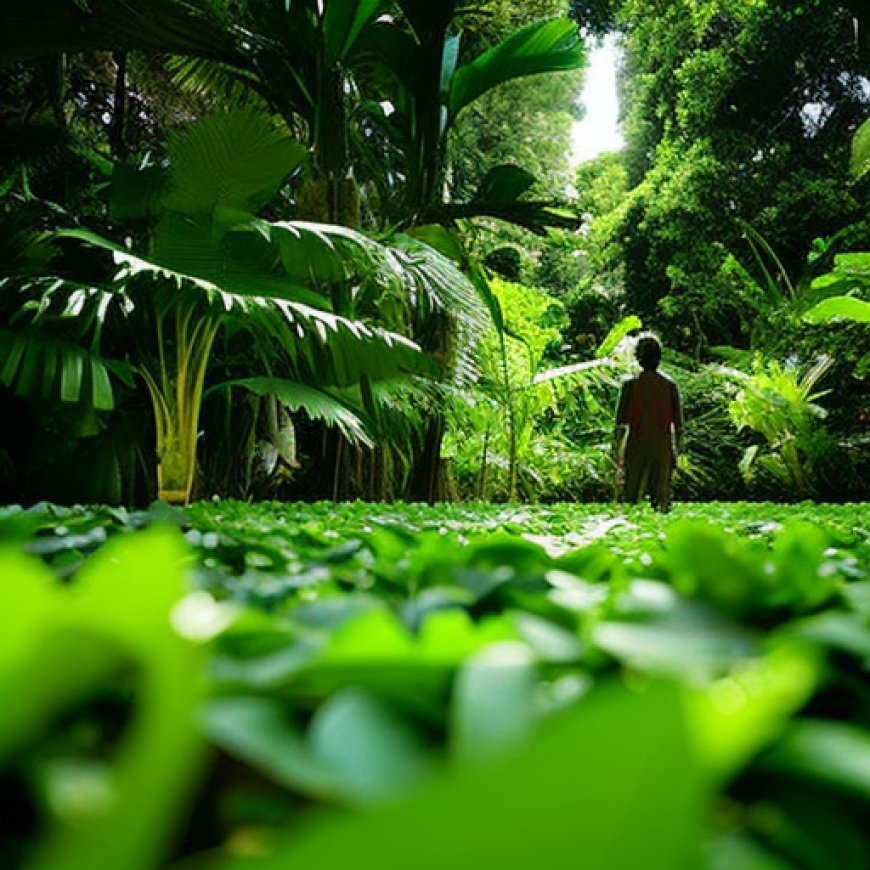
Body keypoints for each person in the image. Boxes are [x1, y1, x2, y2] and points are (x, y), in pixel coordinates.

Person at [613, 334, 684, 511]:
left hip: (636, 444)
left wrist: (615, 455)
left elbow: (619, 425)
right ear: (659, 357)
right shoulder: (669, 386)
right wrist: (678, 452)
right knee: (661, 501)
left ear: (638, 358)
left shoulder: (630, 386)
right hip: (662, 446)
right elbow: (679, 426)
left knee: (630, 498)